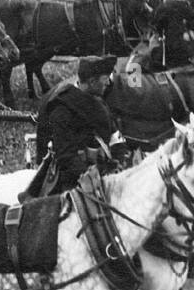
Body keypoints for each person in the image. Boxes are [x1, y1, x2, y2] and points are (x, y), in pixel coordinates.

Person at [28, 56, 123, 197]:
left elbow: (115, 138)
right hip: (75, 180)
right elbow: (66, 157)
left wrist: (120, 161)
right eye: (105, 79)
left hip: (103, 172)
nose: (108, 83)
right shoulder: (63, 109)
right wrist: (96, 176)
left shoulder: (99, 102)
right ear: (92, 82)